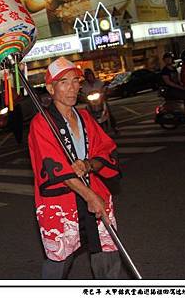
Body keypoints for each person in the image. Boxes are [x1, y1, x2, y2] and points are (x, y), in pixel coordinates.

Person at [28, 57, 123, 279]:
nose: (72, 88)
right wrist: (90, 196)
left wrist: (89, 164)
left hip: (95, 192)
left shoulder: (85, 116)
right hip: (63, 202)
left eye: (75, 81)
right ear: (51, 88)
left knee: (107, 254)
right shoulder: (41, 124)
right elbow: (53, 168)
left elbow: (106, 150)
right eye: (63, 82)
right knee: (59, 262)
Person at [81, 68, 119, 134]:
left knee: (108, 111)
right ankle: (91, 131)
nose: (90, 77)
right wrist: (83, 97)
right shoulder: (85, 85)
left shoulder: (99, 82)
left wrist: (104, 91)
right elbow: (83, 93)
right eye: (88, 76)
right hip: (91, 103)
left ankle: (114, 127)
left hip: (100, 101)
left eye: (90, 75)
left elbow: (104, 88)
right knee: (87, 114)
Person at [160, 52, 185, 121]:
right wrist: (180, 87)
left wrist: (183, 85)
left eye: (169, 58)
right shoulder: (164, 71)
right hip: (170, 90)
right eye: (166, 59)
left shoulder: (174, 68)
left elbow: (178, 79)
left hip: (177, 88)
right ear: (164, 60)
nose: (168, 60)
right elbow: (168, 82)